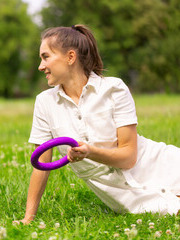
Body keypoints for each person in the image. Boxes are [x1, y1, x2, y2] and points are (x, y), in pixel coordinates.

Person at [16, 24, 180, 224]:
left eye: (46, 57)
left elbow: (128, 157)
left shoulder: (113, 88)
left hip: (159, 165)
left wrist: (90, 152)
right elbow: (41, 165)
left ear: (70, 57)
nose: (40, 66)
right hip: (124, 195)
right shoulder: (44, 102)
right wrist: (27, 219)